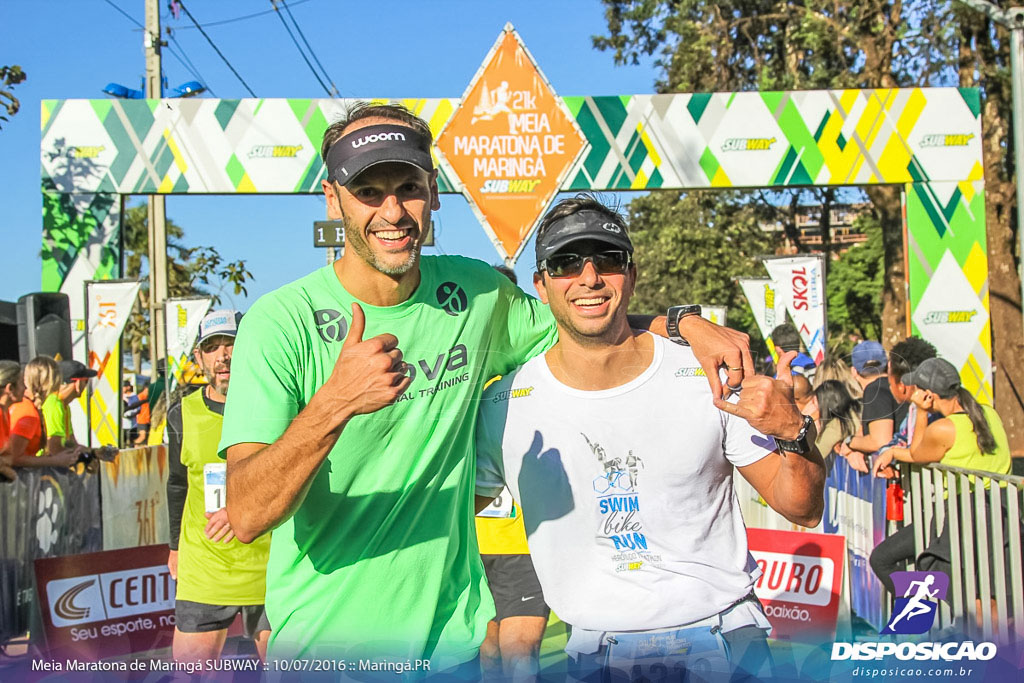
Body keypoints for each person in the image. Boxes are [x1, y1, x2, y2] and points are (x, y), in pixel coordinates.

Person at [220, 102, 752, 668]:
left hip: (454, 644)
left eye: (409, 187)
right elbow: (249, 513)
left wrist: (683, 323)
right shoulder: (280, 322)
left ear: (434, 194)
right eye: (368, 191)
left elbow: (586, 315)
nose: (393, 211)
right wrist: (334, 404)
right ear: (333, 199)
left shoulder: (475, 290)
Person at [474, 197, 826, 680]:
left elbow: (803, 508)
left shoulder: (708, 375)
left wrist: (793, 432)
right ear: (541, 284)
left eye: (609, 260)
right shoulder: (506, 405)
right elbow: (437, 517)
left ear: (632, 276)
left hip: (727, 640)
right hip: (595, 654)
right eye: (566, 263)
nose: (589, 277)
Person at [166, 310, 271, 664]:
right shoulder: (182, 413)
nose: (223, 355)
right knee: (192, 671)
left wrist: (243, 507)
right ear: (199, 358)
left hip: (269, 564)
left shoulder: (276, 404)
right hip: (205, 566)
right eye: (211, 347)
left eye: (232, 344)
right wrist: (174, 548)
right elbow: (177, 484)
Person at [868, 357, 1011, 594]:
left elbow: (918, 453)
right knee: (988, 596)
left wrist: (921, 412)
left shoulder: (943, 428)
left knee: (881, 559)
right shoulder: (989, 414)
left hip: (960, 518)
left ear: (929, 395)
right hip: (1003, 516)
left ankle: (920, 614)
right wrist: (893, 450)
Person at [476, 265, 551, 679]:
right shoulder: (460, 367)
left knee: (520, 654)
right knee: (487, 653)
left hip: (524, 540)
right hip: (469, 539)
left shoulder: (539, 361)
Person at [841, 341, 905, 473]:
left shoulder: (874, 390)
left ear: (854, 371)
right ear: (887, 364)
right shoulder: (900, 386)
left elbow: (879, 441)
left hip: (904, 480)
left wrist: (849, 442)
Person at [7, 356, 79, 469]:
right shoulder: (28, 412)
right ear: (53, 382)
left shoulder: (29, 407)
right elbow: (15, 458)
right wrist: (55, 461)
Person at [40, 359, 97, 455]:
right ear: (78, 383)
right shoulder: (54, 405)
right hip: (43, 466)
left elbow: (71, 443)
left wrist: (93, 452)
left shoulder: (63, 406)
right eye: (86, 381)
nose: (85, 386)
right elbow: (54, 448)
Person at [809, 380, 862, 457]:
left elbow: (816, 455)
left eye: (816, 400)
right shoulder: (859, 407)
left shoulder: (835, 427)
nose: (814, 404)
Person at [0, 360, 23, 482]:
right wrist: (13, 476)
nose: (25, 388)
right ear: (10, 388)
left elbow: (9, 456)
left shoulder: (6, 412)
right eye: (22, 383)